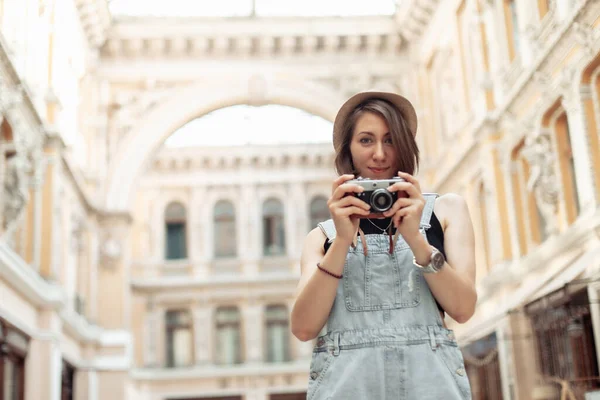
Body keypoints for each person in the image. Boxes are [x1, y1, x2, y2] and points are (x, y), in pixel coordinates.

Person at [291, 91, 477, 399]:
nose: (379, 153)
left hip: (430, 384)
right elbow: (303, 328)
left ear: (404, 146)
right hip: (348, 387)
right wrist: (341, 242)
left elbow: (463, 308)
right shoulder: (322, 238)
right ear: (348, 151)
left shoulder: (446, 211)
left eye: (390, 140)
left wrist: (416, 238)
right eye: (366, 140)